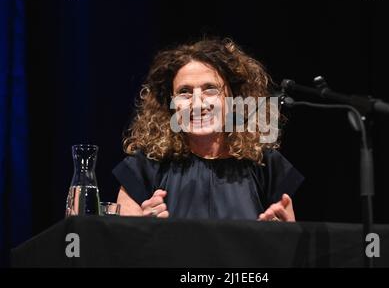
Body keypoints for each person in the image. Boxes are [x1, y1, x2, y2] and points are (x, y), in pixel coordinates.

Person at [112, 38, 304, 222]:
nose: (197, 104)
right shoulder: (144, 166)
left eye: (210, 89)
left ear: (234, 97)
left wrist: (277, 237)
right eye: (184, 92)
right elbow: (121, 245)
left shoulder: (266, 164)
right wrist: (142, 229)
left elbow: (287, 242)